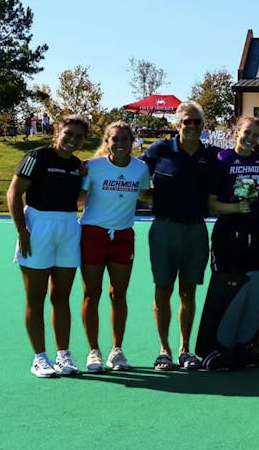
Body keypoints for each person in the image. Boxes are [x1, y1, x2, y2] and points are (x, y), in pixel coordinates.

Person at [7, 115, 89, 377]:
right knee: (36, 297)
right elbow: (13, 192)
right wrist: (23, 230)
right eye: (68, 133)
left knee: (61, 297)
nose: (72, 140)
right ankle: (39, 358)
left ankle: (63, 355)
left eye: (78, 136)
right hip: (37, 227)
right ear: (58, 132)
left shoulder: (78, 166)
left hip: (67, 228)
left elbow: (75, 199)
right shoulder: (37, 156)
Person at [140, 101, 220, 371]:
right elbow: (131, 173)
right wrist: (150, 197)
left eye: (198, 122)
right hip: (164, 228)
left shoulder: (211, 155)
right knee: (163, 289)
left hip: (197, 229)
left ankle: (186, 350)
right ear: (177, 125)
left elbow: (240, 159)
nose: (193, 126)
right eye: (187, 121)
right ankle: (164, 350)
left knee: (188, 291)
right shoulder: (160, 149)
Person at [198, 115, 259, 370]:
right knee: (226, 287)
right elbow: (210, 203)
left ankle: (244, 344)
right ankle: (215, 347)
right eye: (246, 133)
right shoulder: (223, 160)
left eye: (255, 135)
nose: (250, 139)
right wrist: (234, 207)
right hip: (228, 235)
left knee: (253, 287)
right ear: (235, 133)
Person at [78, 121, 151, 372]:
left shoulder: (141, 168)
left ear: (132, 141)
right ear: (107, 142)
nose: (120, 144)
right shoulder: (93, 167)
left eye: (124, 139)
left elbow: (145, 194)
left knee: (118, 294)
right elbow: (78, 198)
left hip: (122, 237)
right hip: (92, 235)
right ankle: (93, 352)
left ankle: (117, 350)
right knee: (91, 294)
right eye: (115, 139)